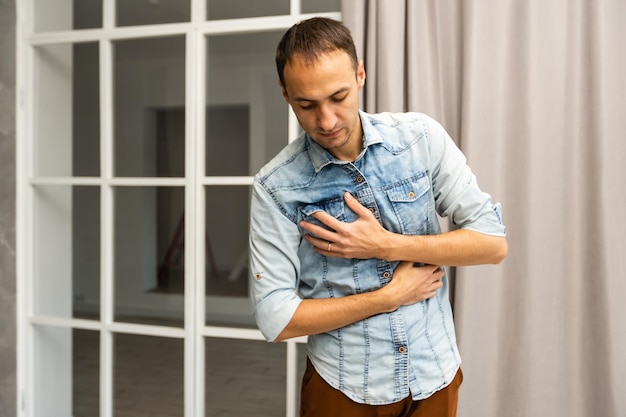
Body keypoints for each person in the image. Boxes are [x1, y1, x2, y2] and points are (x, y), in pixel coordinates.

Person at [249, 17, 507, 417]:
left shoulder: (422, 139)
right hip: (342, 388)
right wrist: (389, 297)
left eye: (338, 97)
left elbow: (492, 244)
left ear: (361, 74)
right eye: (307, 105)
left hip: (434, 375)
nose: (327, 120)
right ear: (285, 95)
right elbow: (275, 318)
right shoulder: (276, 186)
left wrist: (387, 245)